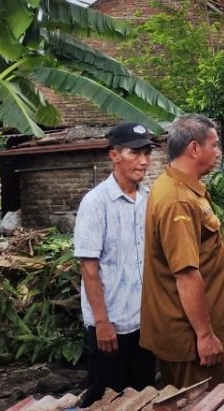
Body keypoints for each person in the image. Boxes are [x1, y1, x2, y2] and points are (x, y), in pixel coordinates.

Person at [140, 114, 224, 388]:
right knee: (198, 402)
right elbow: (186, 274)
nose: (218, 152)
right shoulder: (177, 200)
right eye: (214, 145)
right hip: (190, 338)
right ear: (194, 148)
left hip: (193, 332)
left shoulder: (184, 188)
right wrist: (205, 335)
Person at [73, 122, 159, 406]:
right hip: (110, 324)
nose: (144, 161)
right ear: (114, 155)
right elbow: (89, 267)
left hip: (142, 322)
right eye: (135, 153)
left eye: (147, 153)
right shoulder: (96, 203)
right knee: (105, 398)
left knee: (141, 396)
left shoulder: (149, 200)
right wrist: (102, 323)